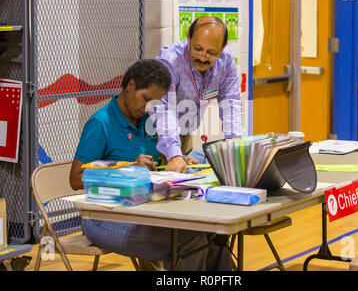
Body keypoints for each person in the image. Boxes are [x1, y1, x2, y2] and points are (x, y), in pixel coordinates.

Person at [69, 59, 232, 271]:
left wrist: (179, 160)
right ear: (130, 86)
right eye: (146, 99)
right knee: (191, 241)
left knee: (215, 232)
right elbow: (75, 179)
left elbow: (159, 164)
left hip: (145, 211)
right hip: (104, 218)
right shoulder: (101, 124)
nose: (148, 107)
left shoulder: (149, 121)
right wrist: (127, 168)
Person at [153, 16, 243, 173]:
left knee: (186, 188)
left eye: (211, 52)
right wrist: (174, 155)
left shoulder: (226, 60)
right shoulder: (169, 61)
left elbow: (231, 102)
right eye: (198, 49)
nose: (202, 57)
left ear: (222, 48)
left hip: (185, 134)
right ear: (188, 38)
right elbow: (163, 109)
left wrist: (234, 143)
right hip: (154, 135)